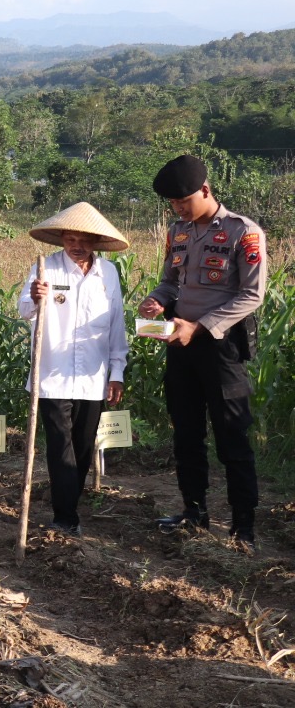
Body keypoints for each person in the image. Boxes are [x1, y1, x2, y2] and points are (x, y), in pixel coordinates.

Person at [140, 154, 267, 547]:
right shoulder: (178, 232)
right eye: (174, 205)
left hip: (222, 348)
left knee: (233, 437)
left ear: (206, 191)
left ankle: (242, 527)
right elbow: (170, 282)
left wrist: (200, 326)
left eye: (184, 202)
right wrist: (156, 301)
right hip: (180, 345)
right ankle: (194, 513)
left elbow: (252, 295)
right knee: (187, 433)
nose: (179, 210)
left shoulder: (242, 232)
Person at [18, 203, 131, 536]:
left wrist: (116, 372)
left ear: (94, 241)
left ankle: (69, 503)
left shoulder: (107, 274)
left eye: (83, 240)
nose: (77, 246)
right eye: (71, 239)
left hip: (93, 377)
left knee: (82, 447)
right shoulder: (46, 269)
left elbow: (116, 327)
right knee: (60, 446)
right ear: (62, 239)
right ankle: (64, 516)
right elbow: (25, 311)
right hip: (52, 375)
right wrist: (36, 298)